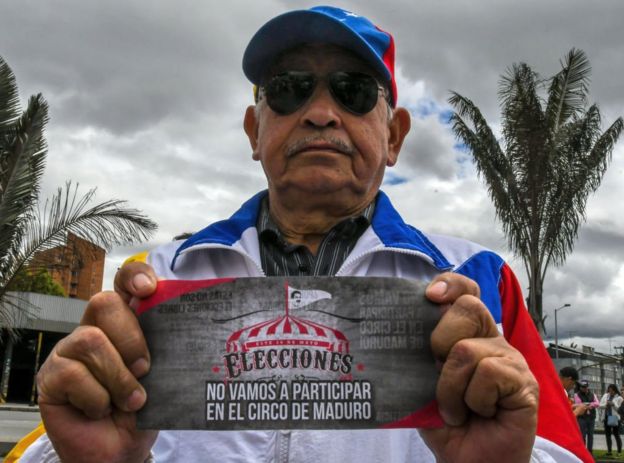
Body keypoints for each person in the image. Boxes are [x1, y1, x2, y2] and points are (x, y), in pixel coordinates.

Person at [18, 5, 592, 463]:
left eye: (353, 90)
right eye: (290, 88)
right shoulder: (156, 281)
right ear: (254, 130)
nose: (320, 112)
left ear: (393, 136)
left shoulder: (481, 282)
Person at [574, 380, 600, 453]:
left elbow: (597, 403)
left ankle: (590, 452)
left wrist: (588, 405)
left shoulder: (593, 394)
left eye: (585, 387)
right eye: (582, 387)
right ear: (580, 387)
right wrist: (590, 404)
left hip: (591, 417)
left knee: (590, 435)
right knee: (582, 435)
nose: (584, 388)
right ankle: (583, 452)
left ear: (587, 387)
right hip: (582, 418)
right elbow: (579, 404)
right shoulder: (577, 395)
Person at [599, 384, 623, 456]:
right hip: (606, 417)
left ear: (615, 390)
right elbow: (600, 405)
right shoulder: (605, 395)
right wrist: (605, 405)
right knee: (608, 435)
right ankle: (609, 451)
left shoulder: (619, 398)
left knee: (616, 435)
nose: (611, 392)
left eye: (612, 390)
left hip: (615, 417)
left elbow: (620, 410)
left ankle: (619, 451)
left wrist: (613, 404)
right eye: (609, 390)